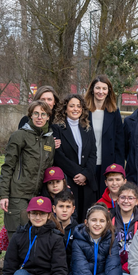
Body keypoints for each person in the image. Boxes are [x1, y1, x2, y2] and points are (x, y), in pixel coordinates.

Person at [0, 101, 56, 275]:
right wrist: (4, 194)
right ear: (30, 116)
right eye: (36, 113)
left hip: (36, 197)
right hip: (17, 195)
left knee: (33, 239)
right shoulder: (19, 136)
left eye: (43, 114)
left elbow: (48, 169)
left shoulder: (49, 139)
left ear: (48, 117)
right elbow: (7, 167)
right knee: (17, 240)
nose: (39, 117)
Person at [0, 166, 66, 275]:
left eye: (57, 182)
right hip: (39, 222)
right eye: (50, 183)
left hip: (54, 227)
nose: (54, 185)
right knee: (8, 226)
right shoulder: (42, 197)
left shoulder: (67, 196)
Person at [64, 205, 130, 275]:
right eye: (93, 220)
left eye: (102, 221)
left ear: (107, 223)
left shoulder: (111, 238)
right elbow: (81, 270)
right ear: (86, 222)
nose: (97, 224)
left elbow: (113, 266)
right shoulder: (78, 240)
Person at [54, 94, 98, 222]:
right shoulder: (57, 128)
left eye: (79, 106)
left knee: (87, 219)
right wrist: (78, 173)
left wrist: (86, 174)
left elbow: (93, 154)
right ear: (65, 108)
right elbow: (59, 156)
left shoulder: (87, 128)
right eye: (71, 106)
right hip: (70, 180)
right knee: (71, 219)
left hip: (87, 182)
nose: (75, 109)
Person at [84, 76, 126, 196]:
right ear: (92, 89)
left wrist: (119, 168)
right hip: (88, 163)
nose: (100, 92)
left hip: (107, 163)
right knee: (89, 199)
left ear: (109, 91)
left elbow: (120, 143)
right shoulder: (84, 111)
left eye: (104, 88)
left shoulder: (114, 112)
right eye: (98, 88)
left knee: (105, 198)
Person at [111, 182, 138, 275]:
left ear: (137, 201)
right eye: (123, 197)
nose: (126, 201)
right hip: (112, 263)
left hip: (134, 264)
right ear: (117, 200)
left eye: (130, 198)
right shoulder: (109, 217)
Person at [52, 189, 78, 269]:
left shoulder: (78, 230)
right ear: (54, 209)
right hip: (49, 270)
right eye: (61, 206)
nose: (64, 210)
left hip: (70, 270)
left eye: (68, 206)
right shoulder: (48, 227)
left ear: (73, 209)